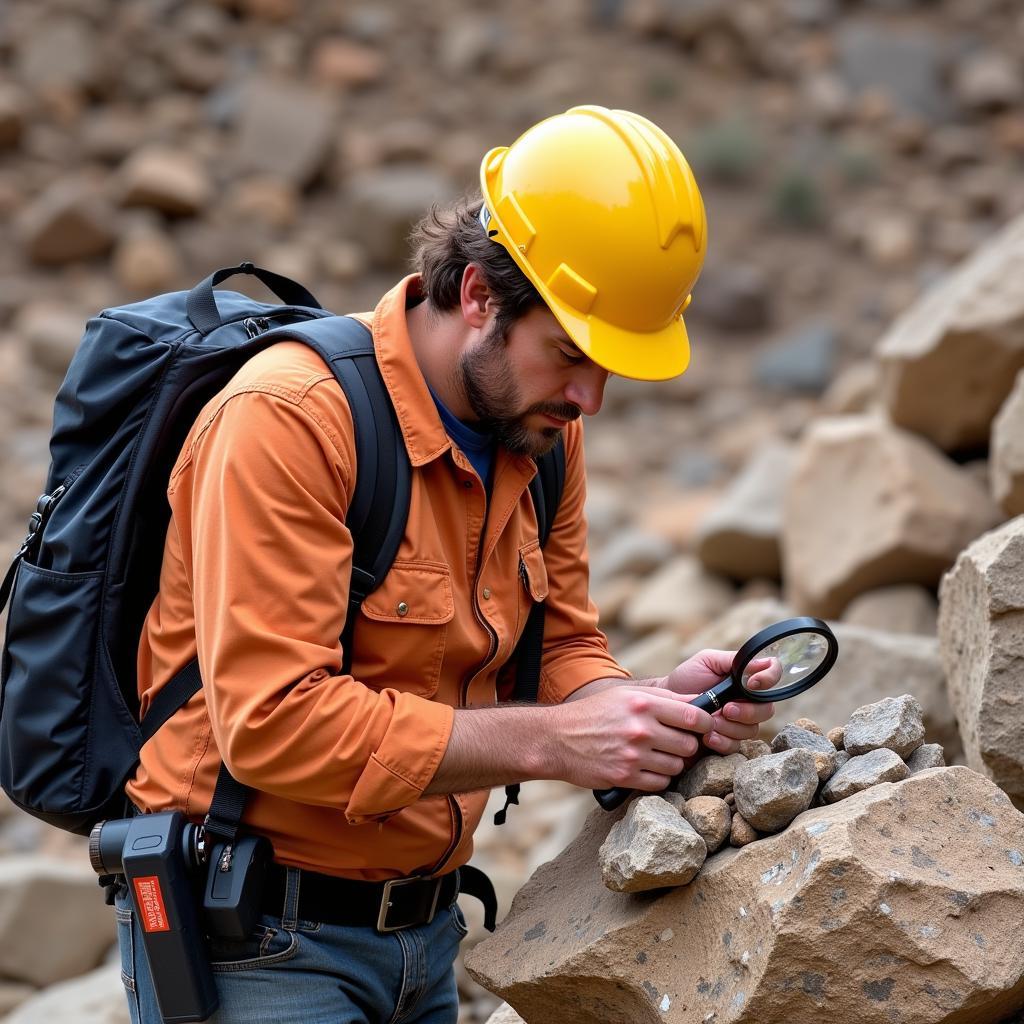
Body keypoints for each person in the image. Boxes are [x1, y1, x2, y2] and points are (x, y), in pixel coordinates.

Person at [115, 105, 775, 1024]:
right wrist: (552, 742)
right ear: (478, 296)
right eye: (572, 353)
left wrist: (641, 708)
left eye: (611, 366)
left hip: (426, 939)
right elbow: (271, 722)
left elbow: (560, 649)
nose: (590, 397)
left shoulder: (540, 434)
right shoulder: (292, 420)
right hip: (253, 944)